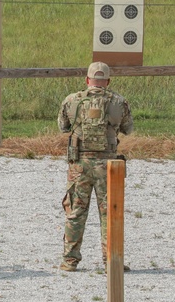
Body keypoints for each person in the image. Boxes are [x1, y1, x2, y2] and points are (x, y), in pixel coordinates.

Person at [57, 61, 134, 272]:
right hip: (108, 165)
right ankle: (112, 261)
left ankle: (69, 261)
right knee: (110, 212)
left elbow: (63, 127)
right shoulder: (118, 102)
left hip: (79, 164)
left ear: (87, 80)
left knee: (75, 211)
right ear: (108, 81)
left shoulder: (72, 100)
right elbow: (128, 128)